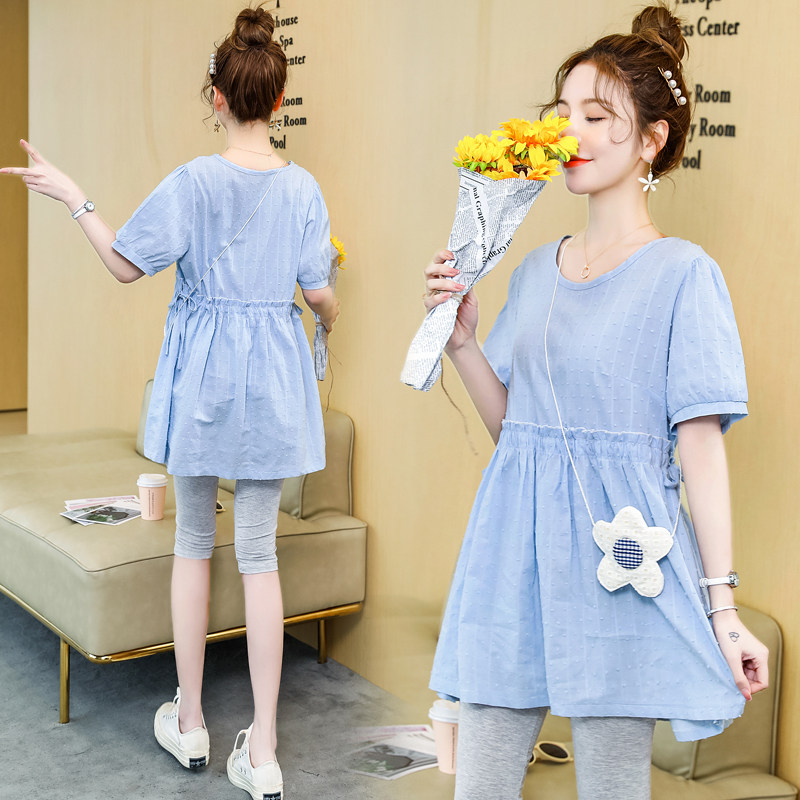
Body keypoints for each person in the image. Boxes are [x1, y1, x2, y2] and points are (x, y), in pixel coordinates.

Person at [420, 5, 768, 799]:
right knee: (480, 786)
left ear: (651, 139)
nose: (570, 131)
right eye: (562, 113)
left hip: (623, 562)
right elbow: (516, 432)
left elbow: (701, 451)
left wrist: (723, 611)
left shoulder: (684, 275)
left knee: (612, 787)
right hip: (513, 552)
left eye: (597, 115)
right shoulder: (535, 270)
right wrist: (464, 342)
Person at [2, 5, 338, 799]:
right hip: (273, 382)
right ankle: (264, 754)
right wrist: (326, 324)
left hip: (205, 382)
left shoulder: (193, 181)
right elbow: (320, 292)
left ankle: (189, 721)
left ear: (216, 97)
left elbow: (126, 265)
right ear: (277, 101)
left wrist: (74, 196)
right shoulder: (304, 189)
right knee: (259, 555)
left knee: (193, 541)